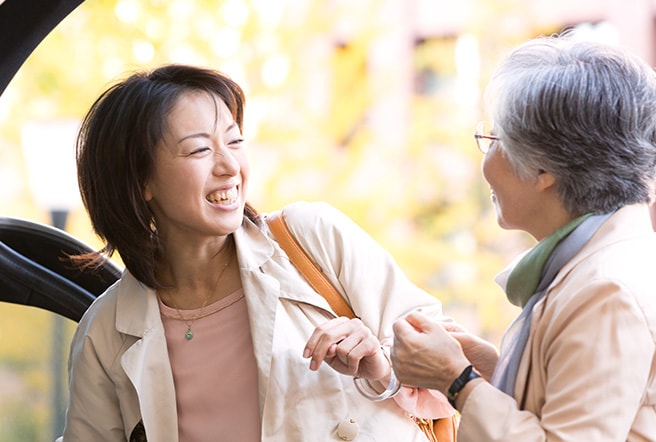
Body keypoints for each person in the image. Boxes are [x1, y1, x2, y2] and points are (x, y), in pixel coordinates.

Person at [60, 64, 453, 441]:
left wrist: (381, 364)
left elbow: (456, 364)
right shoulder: (106, 332)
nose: (230, 165)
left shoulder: (311, 238)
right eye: (199, 150)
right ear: (141, 180)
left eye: (234, 141)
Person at [390, 33, 656, 441]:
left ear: (543, 168)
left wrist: (456, 380)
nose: (486, 160)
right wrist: (495, 368)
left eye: (495, 140)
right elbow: (586, 407)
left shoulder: (607, 293)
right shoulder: (633, 258)